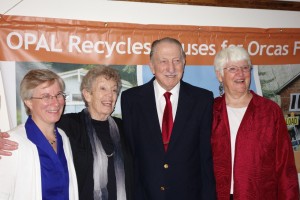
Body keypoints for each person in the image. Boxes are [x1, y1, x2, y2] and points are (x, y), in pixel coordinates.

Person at [0, 66, 132, 200]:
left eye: (114, 90)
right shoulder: (68, 125)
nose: (110, 95)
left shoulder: (124, 127)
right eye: (103, 88)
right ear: (87, 94)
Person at [121, 37, 216, 200]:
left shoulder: (203, 99)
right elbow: (130, 158)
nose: (171, 68)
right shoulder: (131, 99)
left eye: (176, 60)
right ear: (152, 66)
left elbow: (205, 159)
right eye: (163, 61)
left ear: (184, 63)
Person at [211, 46, 299, 200]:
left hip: (259, 195)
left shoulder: (269, 111)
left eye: (245, 68)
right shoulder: (210, 111)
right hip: (217, 195)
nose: (241, 74)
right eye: (232, 69)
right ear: (219, 75)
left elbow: (285, 165)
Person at [0, 69, 78, 200]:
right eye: (46, 96)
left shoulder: (63, 137)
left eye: (58, 94)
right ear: (28, 102)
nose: (56, 102)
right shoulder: (12, 142)